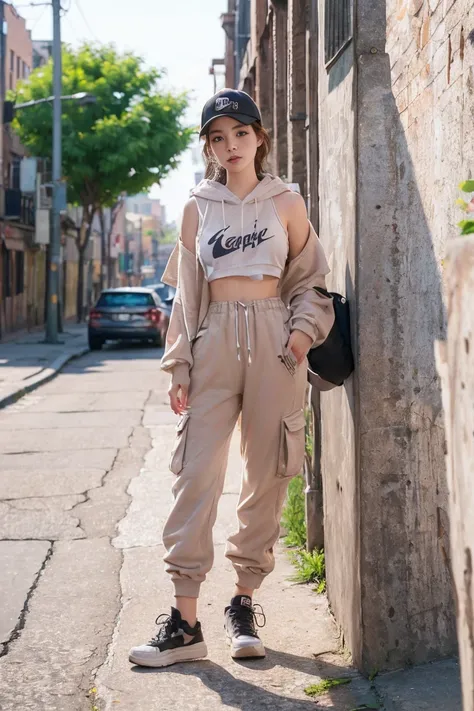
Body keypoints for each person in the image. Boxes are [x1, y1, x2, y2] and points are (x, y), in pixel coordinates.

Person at [129, 89, 335, 668]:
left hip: (276, 344)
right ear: (209, 147)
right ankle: (185, 621)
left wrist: (299, 334)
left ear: (260, 137)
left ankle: (243, 603)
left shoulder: (287, 203)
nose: (230, 146)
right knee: (195, 473)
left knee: (268, 472)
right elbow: (185, 298)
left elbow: (311, 278)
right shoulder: (198, 207)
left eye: (240, 133)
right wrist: (179, 364)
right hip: (214, 339)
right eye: (217, 137)